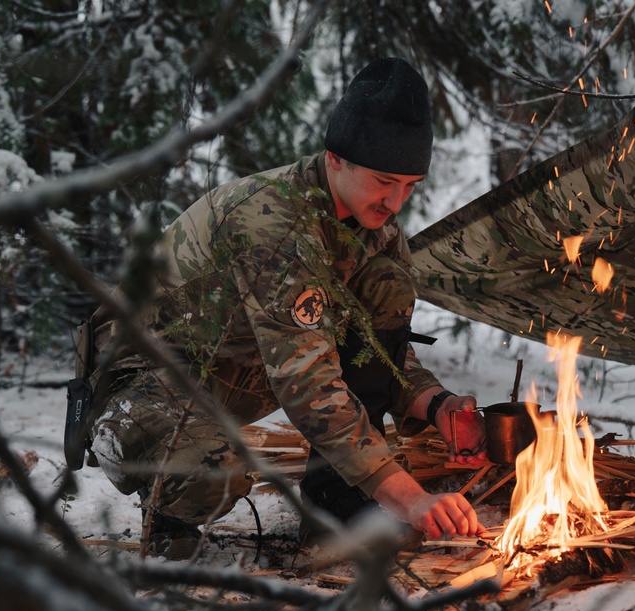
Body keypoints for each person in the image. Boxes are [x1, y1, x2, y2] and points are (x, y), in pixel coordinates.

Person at [80, 57, 487, 559]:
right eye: (385, 180)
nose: (395, 202)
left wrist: (437, 405)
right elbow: (309, 384)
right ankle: (169, 516)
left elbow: (381, 356)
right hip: (140, 376)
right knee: (214, 472)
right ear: (336, 158)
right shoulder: (273, 226)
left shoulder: (374, 229)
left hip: (234, 369)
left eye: (410, 186)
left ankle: (339, 506)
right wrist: (408, 497)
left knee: (389, 285)